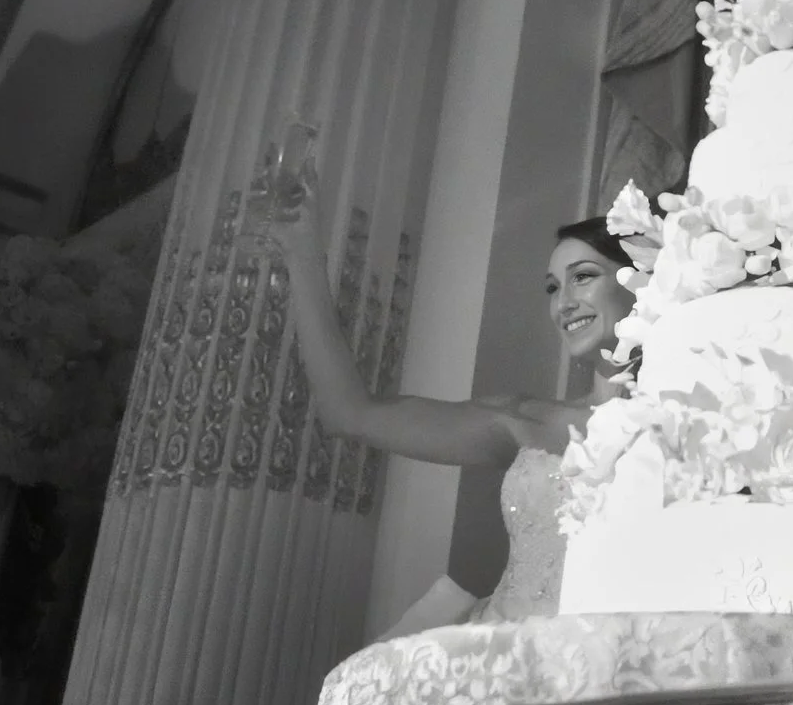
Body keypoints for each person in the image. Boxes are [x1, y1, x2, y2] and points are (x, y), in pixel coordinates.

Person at [259, 178, 636, 639]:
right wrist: (300, 253)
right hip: (506, 651)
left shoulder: (703, 424)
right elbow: (349, 413)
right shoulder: (523, 420)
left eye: (583, 276)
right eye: (552, 288)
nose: (564, 303)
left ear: (644, 279)